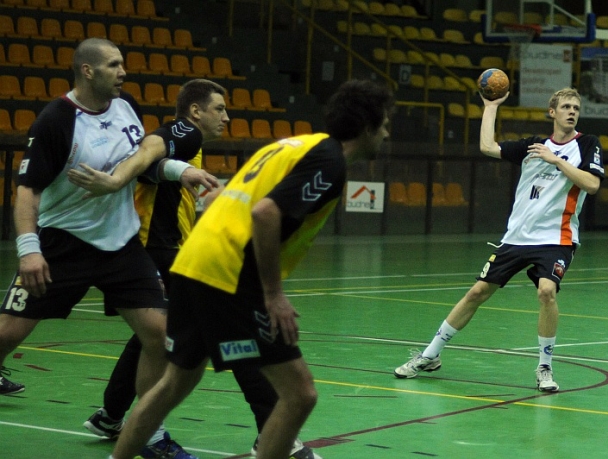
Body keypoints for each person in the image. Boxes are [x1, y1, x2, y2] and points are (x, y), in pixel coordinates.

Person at [109, 79, 395, 459]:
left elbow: (241, 198)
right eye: (385, 124)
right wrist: (272, 294)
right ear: (366, 127)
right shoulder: (328, 162)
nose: (387, 133)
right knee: (300, 394)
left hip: (193, 261)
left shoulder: (296, 144)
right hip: (230, 274)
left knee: (174, 383)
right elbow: (266, 213)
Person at [69, 78, 321, 459]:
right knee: (234, 328)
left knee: (151, 336)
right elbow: (152, 144)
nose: (227, 117)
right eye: (219, 109)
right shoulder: (185, 132)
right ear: (196, 111)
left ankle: (111, 415)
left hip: (170, 251)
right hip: (157, 251)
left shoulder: (194, 146)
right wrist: (128, 172)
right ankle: (271, 430)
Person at [0, 38, 216, 459]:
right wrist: (29, 250)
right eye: (115, 65)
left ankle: (150, 434)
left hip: (121, 245)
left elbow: (140, 160)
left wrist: (180, 169)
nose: (123, 72)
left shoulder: (125, 104)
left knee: (159, 334)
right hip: (63, 245)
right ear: (87, 71)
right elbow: (27, 191)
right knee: (7, 333)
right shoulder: (55, 120)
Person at [394, 87, 604, 392]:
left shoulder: (587, 144)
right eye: (566, 106)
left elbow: (593, 185)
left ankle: (544, 367)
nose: (572, 111)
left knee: (547, 291)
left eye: (576, 107)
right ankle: (430, 355)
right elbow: (487, 146)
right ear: (552, 112)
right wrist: (490, 106)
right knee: (477, 293)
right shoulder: (532, 145)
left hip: (557, 238)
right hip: (516, 237)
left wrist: (556, 160)